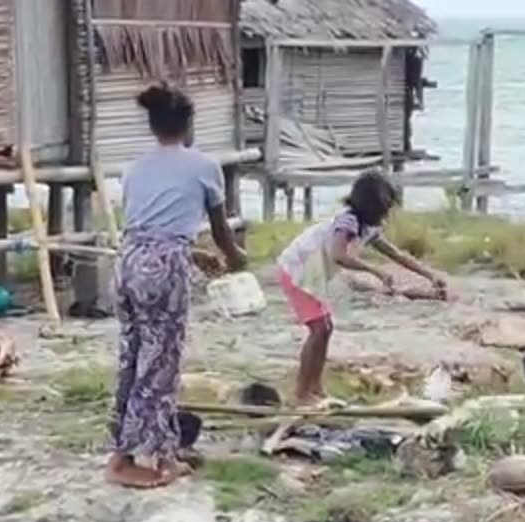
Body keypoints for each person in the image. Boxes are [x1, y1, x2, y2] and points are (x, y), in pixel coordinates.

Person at [108, 82, 246, 490]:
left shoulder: (133, 168)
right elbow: (221, 233)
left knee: (134, 358)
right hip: (163, 270)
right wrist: (236, 259)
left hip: (129, 262)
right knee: (160, 365)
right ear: (188, 126)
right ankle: (123, 460)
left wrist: (193, 254)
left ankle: (162, 450)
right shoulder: (204, 165)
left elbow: (151, 227)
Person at [277, 170, 450, 408]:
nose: (387, 214)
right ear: (371, 207)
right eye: (384, 208)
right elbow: (339, 255)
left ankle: (315, 387)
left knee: (325, 328)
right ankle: (301, 393)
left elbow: (396, 254)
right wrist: (375, 271)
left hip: (313, 274)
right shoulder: (347, 221)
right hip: (297, 270)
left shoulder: (368, 229)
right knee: (319, 329)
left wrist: (431, 275)